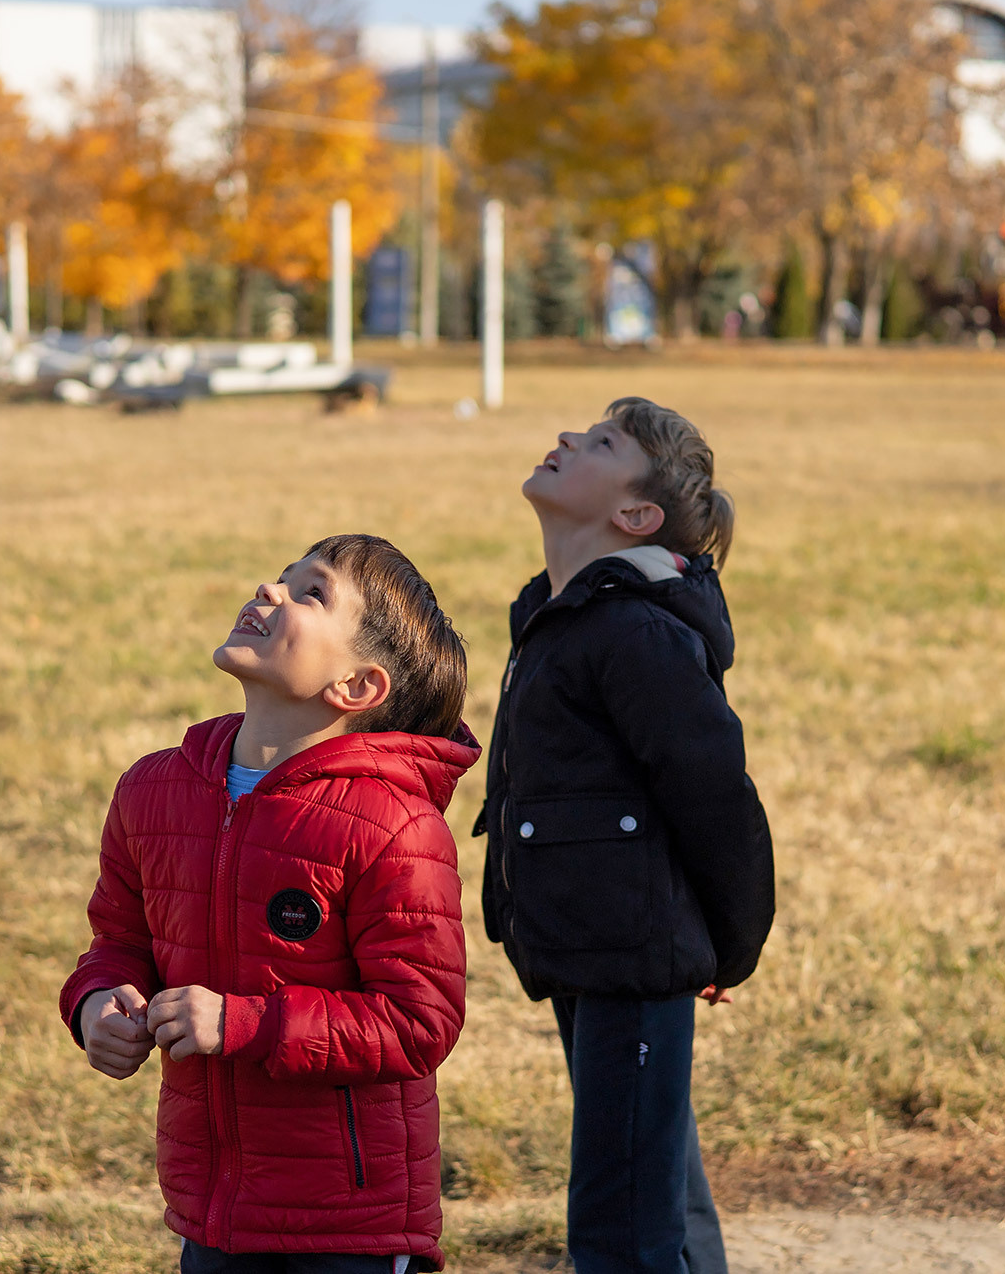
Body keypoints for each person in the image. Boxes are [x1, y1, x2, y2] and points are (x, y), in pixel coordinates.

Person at [61, 534, 480, 1274]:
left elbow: (419, 1022)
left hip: (349, 1227)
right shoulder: (154, 791)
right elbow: (118, 942)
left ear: (358, 687)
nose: (270, 589)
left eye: (311, 592)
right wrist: (98, 1003)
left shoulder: (394, 825)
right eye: (284, 577)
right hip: (213, 1214)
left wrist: (241, 1024)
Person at [475, 398, 775, 1274]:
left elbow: (718, 797)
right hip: (584, 944)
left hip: (635, 956)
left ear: (635, 516)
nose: (566, 437)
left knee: (620, 1234)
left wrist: (730, 946)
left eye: (601, 443)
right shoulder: (559, 613)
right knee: (657, 1197)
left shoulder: (636, 629)